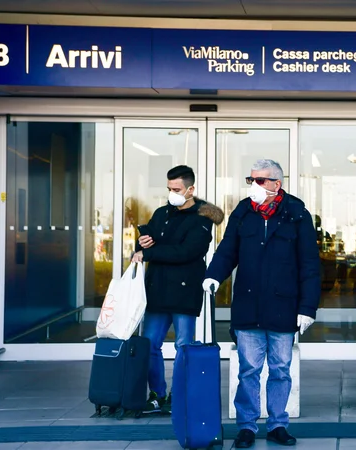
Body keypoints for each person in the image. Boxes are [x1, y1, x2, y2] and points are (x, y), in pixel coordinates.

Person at [203, 159, 320, 448]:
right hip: (248, 306)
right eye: (250, 179)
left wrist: (308, 308)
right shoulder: (243, 212)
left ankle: (278, 424)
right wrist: (214, 276)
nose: (252, 186)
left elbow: (309, 264)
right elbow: (227, 249)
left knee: (280, 370)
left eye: (259, 180)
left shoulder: (297, 214)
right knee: (248, 370)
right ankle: (246, 426)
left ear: (276, 184)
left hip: (283, 306)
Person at [131, 165, 224, 415]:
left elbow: (187, 252)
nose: (172, 193)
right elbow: (151, 245)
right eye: (169, 188)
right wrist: (143, 241)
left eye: (177, 189)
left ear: (190, 189)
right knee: (150, 345)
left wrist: (150, 252)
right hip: (157, 290)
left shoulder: (203, 219)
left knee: (184, 345)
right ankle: (157, 394)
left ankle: (179, 395)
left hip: (183, 291)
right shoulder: (162, 213)